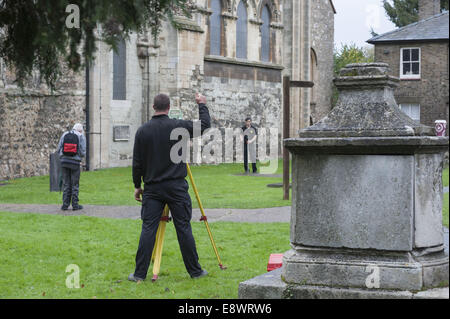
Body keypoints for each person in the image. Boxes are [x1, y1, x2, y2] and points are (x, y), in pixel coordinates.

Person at [129, 93, 211, 282]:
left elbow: (137, 163)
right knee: (183, 227)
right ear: (168, 108)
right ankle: (195, 271)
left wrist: (136, 185)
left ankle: (139, 274)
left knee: (148, 228)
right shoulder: (178, 126)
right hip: (176, 187)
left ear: (153, 107)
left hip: (153, 188)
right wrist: (202, 104)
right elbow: (204, 125)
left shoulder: (142, 131)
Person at [57, 123, 86, 211]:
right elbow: (82, 152)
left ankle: (65, 205)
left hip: (64, 162)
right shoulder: (81, 136)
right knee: (75, 184)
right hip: (75, 163)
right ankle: (75, 205)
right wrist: (78, 157)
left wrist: (63, 157)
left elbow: (59, 148)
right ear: (80, 130)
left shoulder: (65, 134)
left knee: (66, 184)